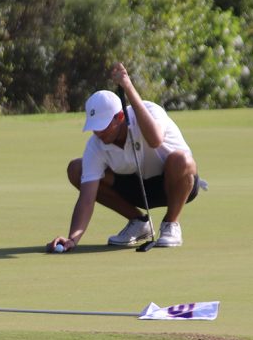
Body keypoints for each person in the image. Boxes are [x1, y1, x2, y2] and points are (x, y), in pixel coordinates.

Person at [48, 63, 205, 252]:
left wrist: (128, 87)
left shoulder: (150, 111)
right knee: (77, 169)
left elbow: (155, 140)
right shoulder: (96, 145)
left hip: (175, 184)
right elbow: (87, 198)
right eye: (95, 126)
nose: (99, 132)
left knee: (181, 160)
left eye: (104, 125)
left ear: (120, 117)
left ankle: (171, 224)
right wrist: (73, 238)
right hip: (136, 189)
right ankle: (139, 223)